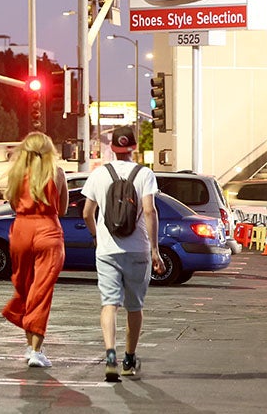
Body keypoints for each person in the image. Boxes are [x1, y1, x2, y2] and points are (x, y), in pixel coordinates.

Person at [81, 126, 164, 382]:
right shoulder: (145, 174)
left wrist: (97, 237)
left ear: (112, 148)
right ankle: (129, 359)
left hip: (107, 250)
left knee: (109, 305)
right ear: (134, 148)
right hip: (138, 249)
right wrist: (155, 250)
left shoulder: (98, 174)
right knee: (134, 307)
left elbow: (86, 213)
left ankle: (109, 356)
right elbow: (149, 211)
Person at [0, 132, 68, 368]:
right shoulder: (57, 173)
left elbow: (11, 203)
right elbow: (63, 208)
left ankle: (31, 347)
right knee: (41, 291)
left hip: (21, 230)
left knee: (26, 289)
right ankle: (36, 351)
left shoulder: (17, 174)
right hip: (47, 231)